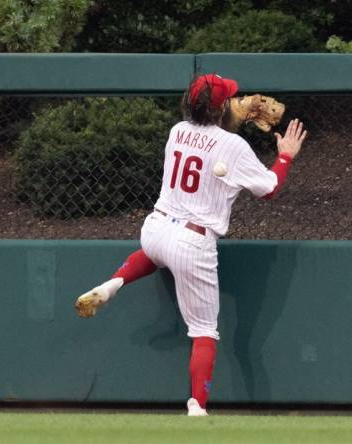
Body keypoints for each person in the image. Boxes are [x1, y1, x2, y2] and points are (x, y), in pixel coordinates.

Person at [75, 73, 307, 416]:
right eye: (230, 99)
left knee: (153, 255)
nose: (236, 102)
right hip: (193, 241)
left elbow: (209, 139)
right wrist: (285, 156)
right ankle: (197, 407)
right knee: (203, 332)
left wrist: (225, 116)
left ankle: (113, 284)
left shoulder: (177, 132)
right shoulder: (234, 146)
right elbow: (269, 188)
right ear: (221, 107)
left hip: (156, 228)